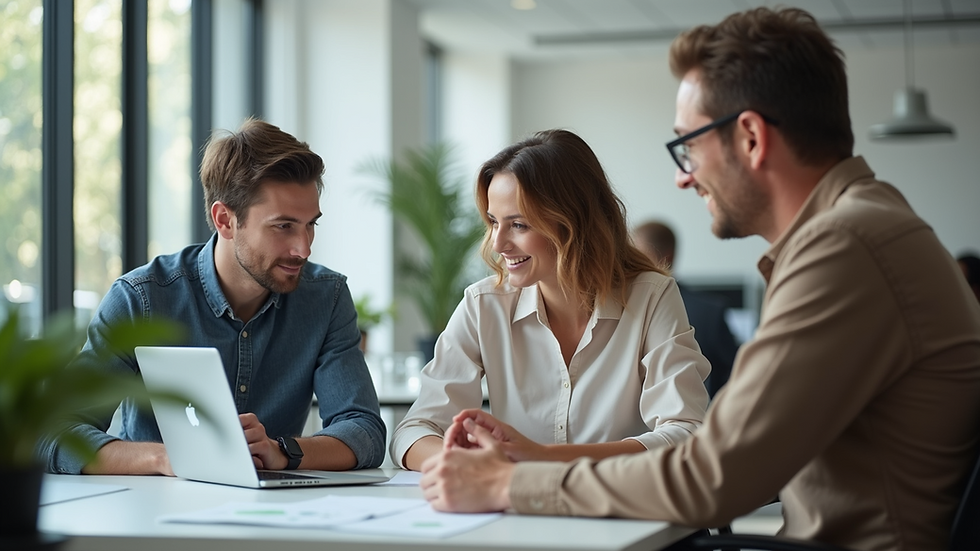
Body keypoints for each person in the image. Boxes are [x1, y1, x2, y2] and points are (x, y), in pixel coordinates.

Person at [418, 8, 980, 550]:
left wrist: (508, 483)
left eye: (688, 146)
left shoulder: (844, 247)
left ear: (752, 138)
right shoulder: (865, 226)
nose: (683, 177)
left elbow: (712, 475)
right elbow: (728, 459)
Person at [38, 118, 386, 475]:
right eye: (284, 226)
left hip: (272, 517)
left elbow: (364, 431)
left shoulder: (325, 298)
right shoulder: (141, 300)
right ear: (224, 220)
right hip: (150, 516)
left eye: (311, 224)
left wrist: (281, 451)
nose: (303, 248)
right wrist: (167, 458)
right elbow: (53, 433)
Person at [390, 129, 710, 472]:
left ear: (573, 222)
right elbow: (414, 431)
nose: (498, 244)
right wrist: (470, 464)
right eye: (494, 222)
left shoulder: (651, 297)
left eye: (519, 225)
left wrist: (539, 458)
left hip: (621, 514)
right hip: (517, 514)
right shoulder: (483, 305)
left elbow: (686, 434)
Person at [632, 220, 739, 398]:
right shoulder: (709, 310)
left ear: (665, 258)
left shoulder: (627, 309)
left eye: (639, 255)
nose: (630, 263)